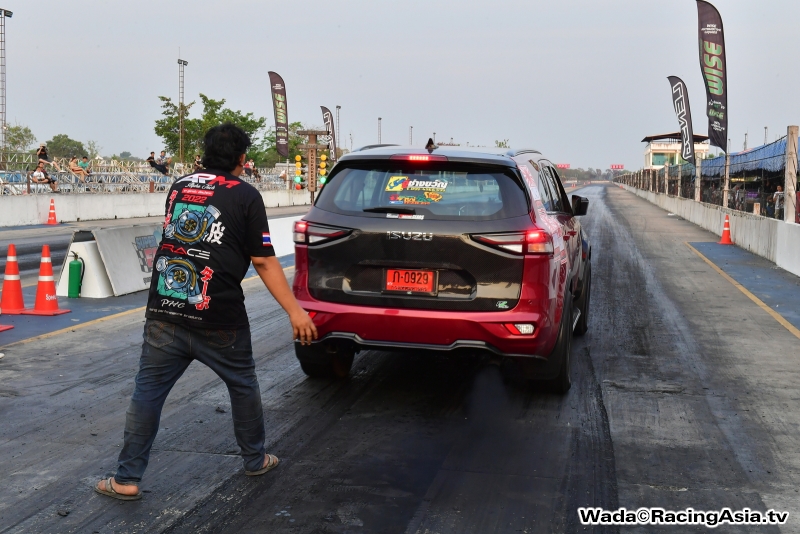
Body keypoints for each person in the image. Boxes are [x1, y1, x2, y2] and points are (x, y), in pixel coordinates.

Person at [94, 123, 317, 501]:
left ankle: (126, 478)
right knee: (242, 384)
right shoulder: (246, 195)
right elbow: (264, 260)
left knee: (147, 393)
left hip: (166, 309)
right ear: (242, 158)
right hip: (219, 316)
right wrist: (295, 312)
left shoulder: (179, 186)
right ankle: (255, 460)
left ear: (206, 153)